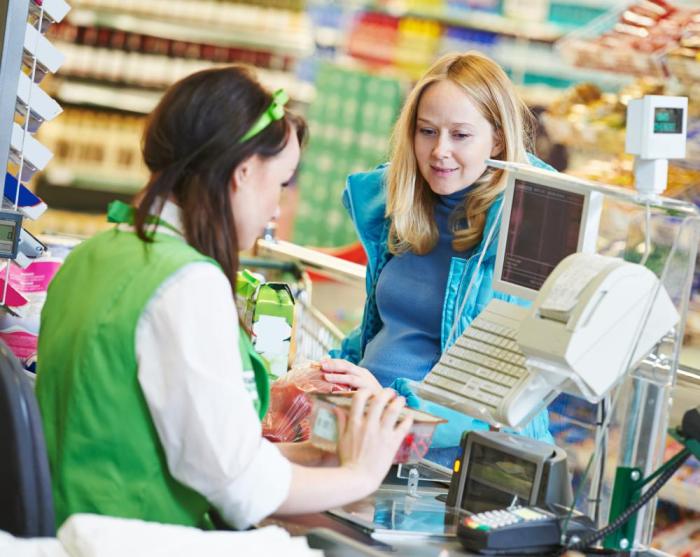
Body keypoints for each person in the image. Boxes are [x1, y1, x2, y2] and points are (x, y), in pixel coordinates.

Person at [35, 66, 412, 531]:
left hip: (76, 523)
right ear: (244, 171)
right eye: (281, 182)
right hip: (136, 531)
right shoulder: (186, 284)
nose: (277, 209)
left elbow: (195, 448)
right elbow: (242, 492)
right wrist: (360, 474)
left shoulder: (95, 254)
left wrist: (310, 453)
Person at [319, 52, 555, 461]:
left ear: (497, 138)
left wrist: (391, 402)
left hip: (453, 465)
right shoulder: (403, 209)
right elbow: (391, 330)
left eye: (460, 135)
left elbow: (501, 395)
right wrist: (334, 370)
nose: (439, 151)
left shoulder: (528, 230)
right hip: (376, 438)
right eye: (427, 131)